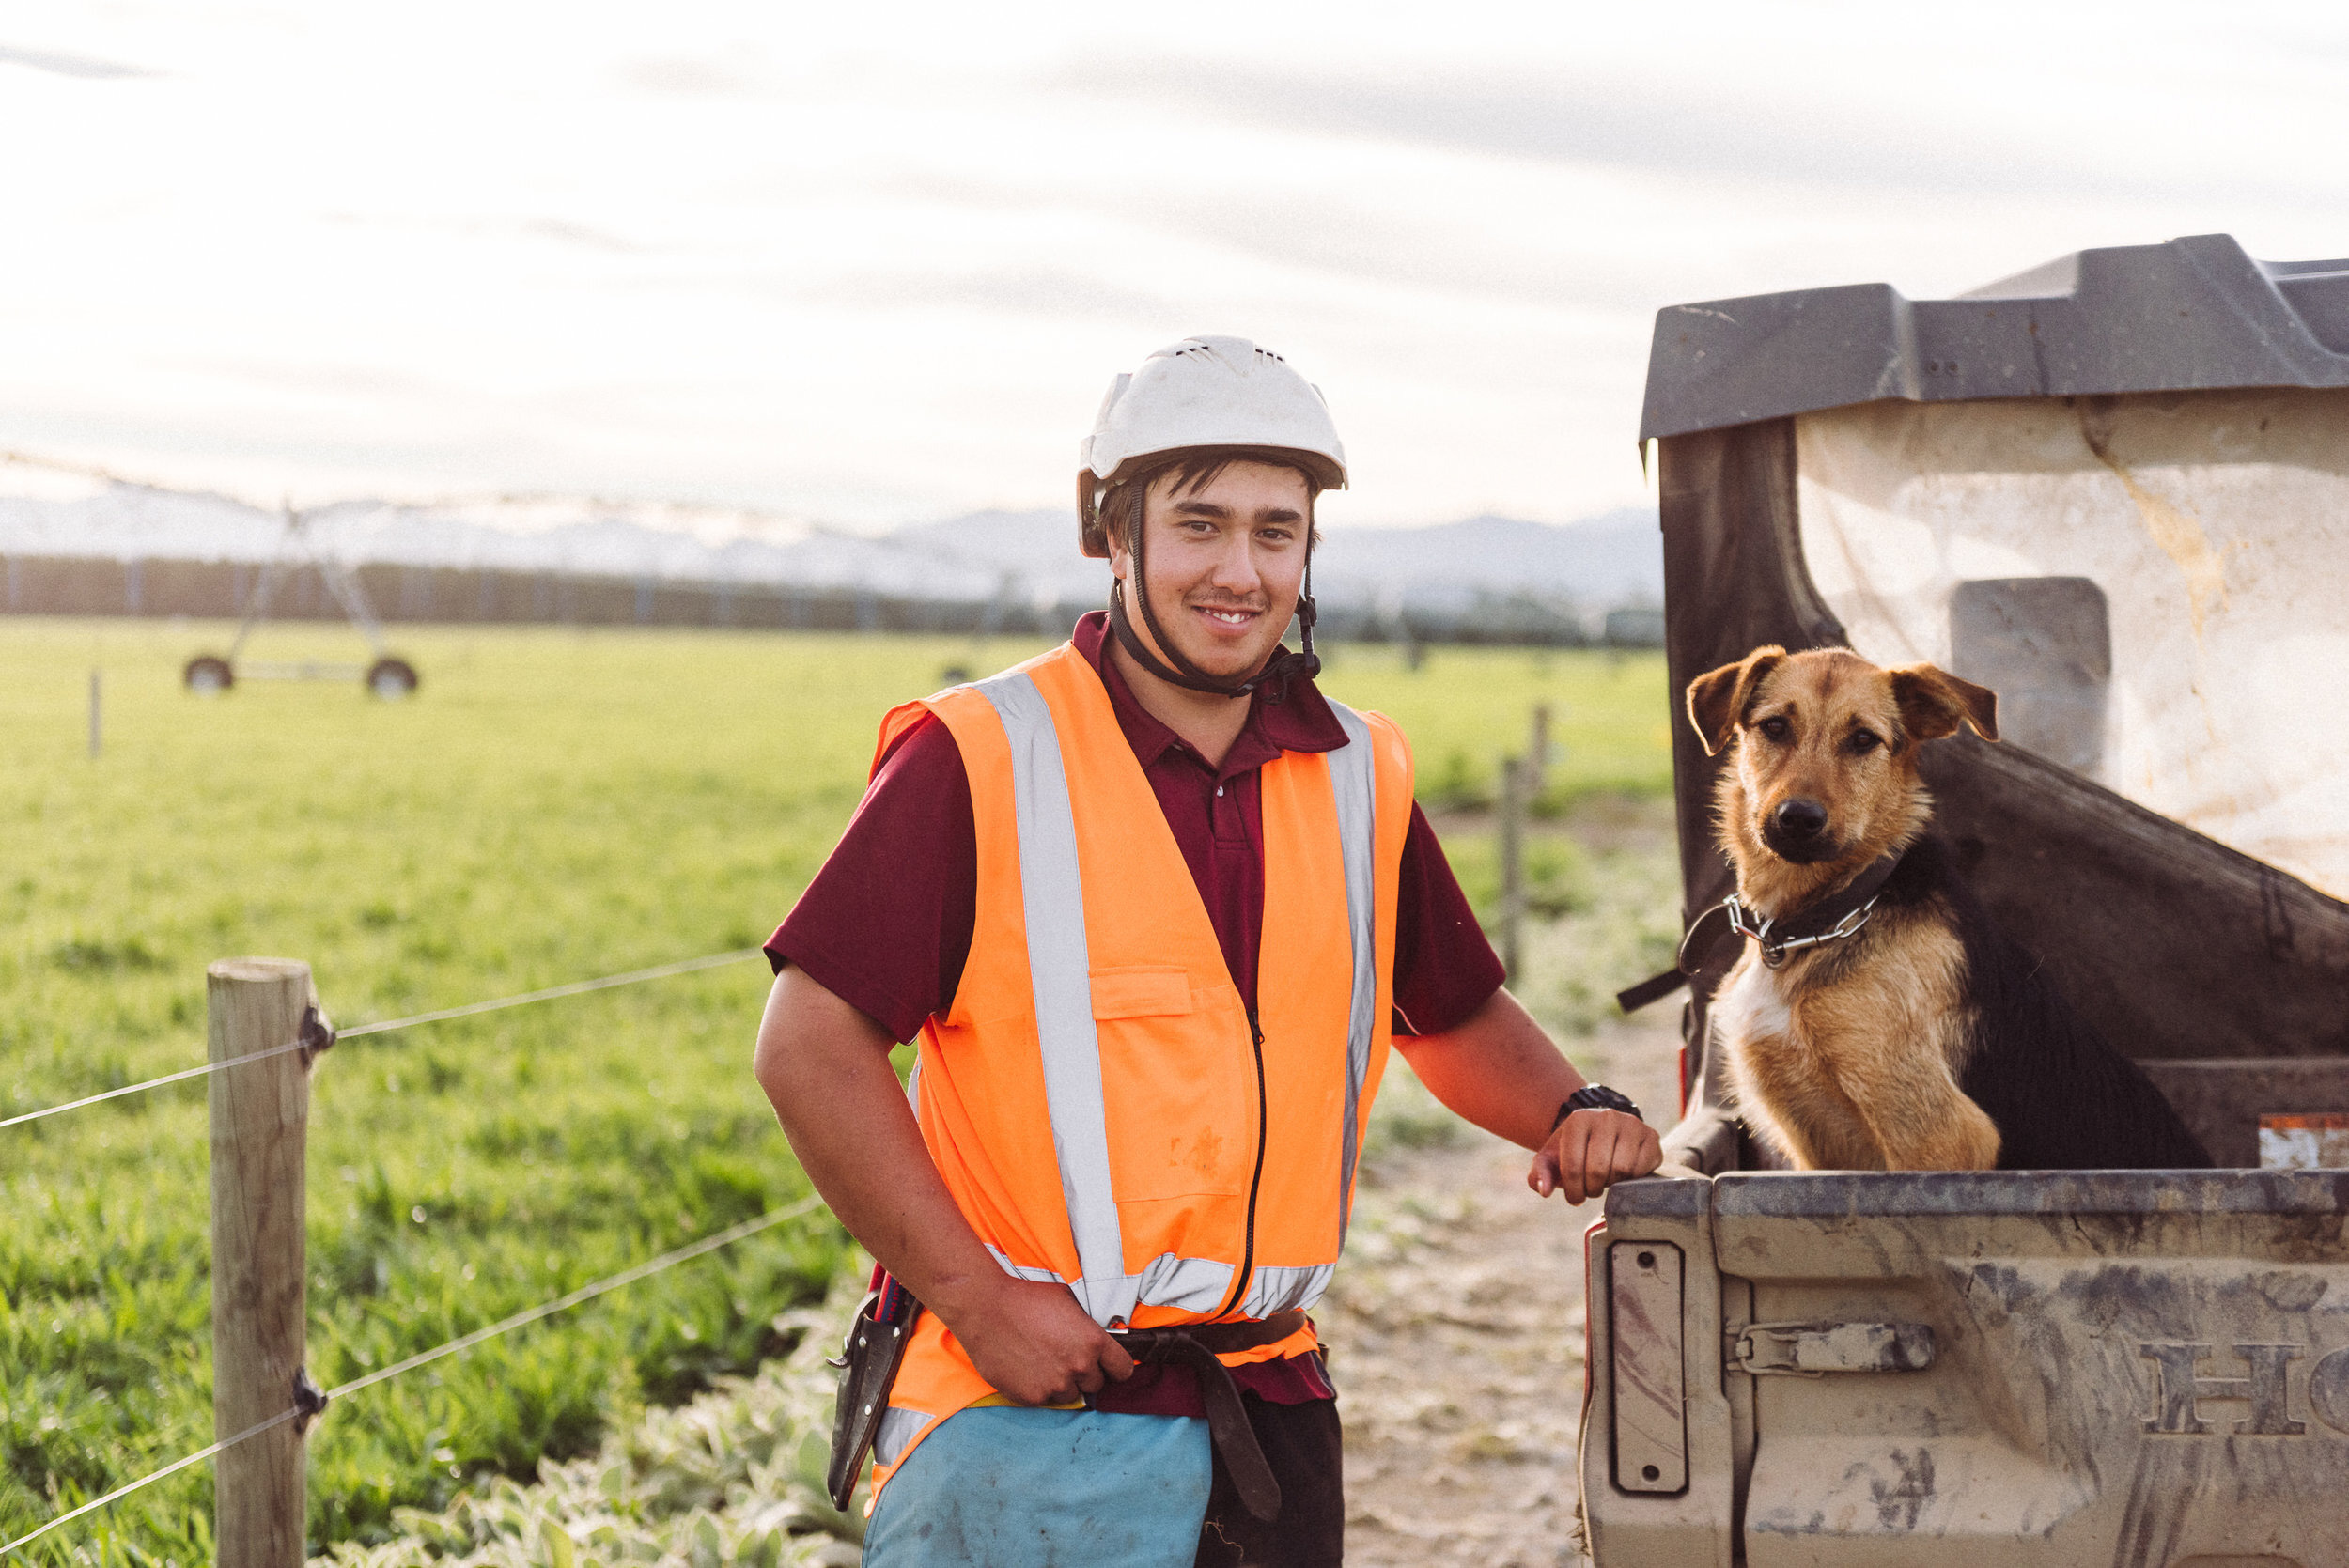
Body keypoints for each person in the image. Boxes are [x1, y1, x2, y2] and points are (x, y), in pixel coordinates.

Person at [753, 334, 1662, 1568]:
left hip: (1270, 1416)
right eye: (1199, 524)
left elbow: (1442, 1013)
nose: (1240, 570)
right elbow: (807, 1043)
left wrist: (1573, 1105)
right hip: (1028, 1418)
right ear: (1110, 533)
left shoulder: (1359, 768)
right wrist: (978, 1300)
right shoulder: (979, 755)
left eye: (1276, 531)